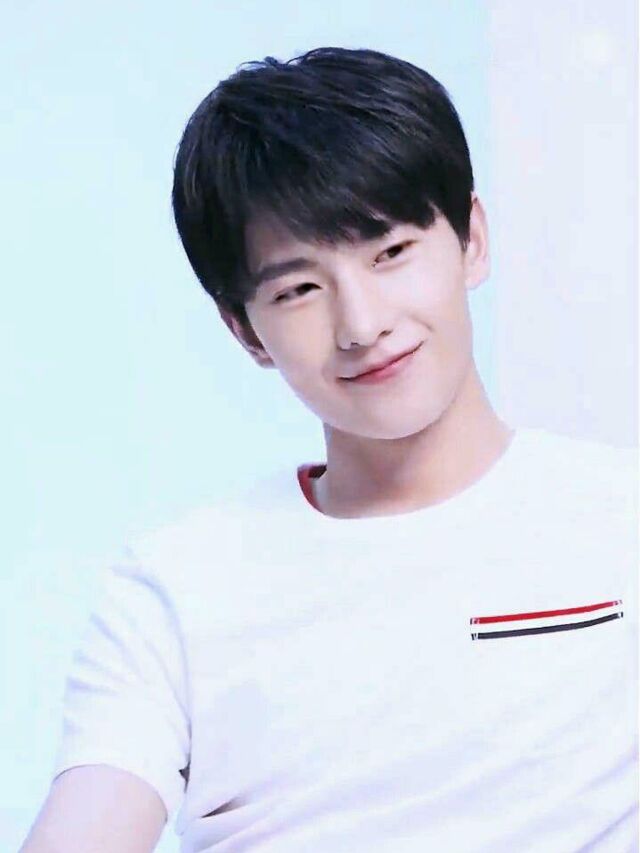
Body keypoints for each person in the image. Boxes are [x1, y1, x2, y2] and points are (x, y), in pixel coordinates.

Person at [21, 46, 637, 853]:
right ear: (245, 330)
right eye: (299, 289)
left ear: (472, 240)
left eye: (391, 253)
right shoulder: (175, 588)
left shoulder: (618, 519)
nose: (362, 323)